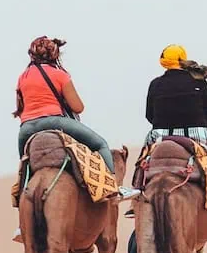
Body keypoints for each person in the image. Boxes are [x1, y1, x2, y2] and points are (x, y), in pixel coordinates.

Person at [143, 43, 207, 221]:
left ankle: (137, 199)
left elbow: (149, 116)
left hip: (160, 136)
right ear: (182, 59)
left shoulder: (155, 84)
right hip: (197, 136)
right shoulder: (199, 81)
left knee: (142, 164)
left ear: (164, 62)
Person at [15, 36, 126, 186]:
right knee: (101, 145)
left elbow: (20, 108)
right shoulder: (60, 75)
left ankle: (22, 192)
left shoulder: (23, 77)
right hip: (55, 121)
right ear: (54, 55)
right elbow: (78, 107)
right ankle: (112, 187)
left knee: (25, 165)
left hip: (27, 128)